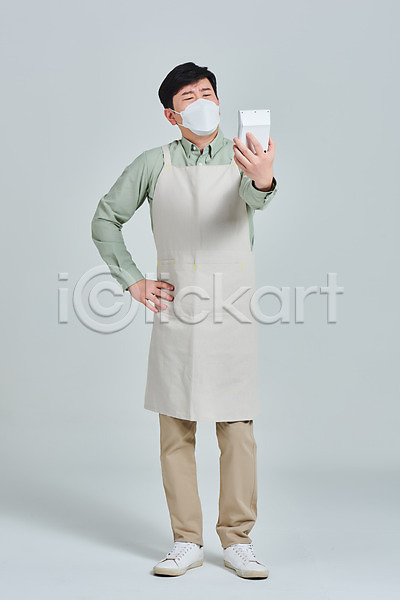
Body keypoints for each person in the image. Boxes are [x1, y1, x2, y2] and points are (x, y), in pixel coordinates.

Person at [91, 62, 278, 579]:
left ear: (219, 101)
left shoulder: (244, 154)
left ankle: (238, 540)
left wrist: (264, 177)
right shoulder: (153, 163)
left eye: (207, 93)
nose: (202, 102)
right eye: (188, 97)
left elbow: (255, 195)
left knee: (237, 427)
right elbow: (106, 218)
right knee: (176, 426)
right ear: (171, 115)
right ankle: (186, 540)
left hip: (232, 307)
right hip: (178, 308)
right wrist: (132, 280)